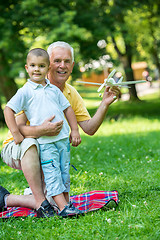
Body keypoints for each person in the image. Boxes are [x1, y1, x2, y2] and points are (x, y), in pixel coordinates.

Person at [1, 41, 120, 218]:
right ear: (49, 64)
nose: (62, 66)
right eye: (57, 60)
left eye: (67, 61)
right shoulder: (31, 91)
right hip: (19, 147)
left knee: (56, 199)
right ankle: (35, 202)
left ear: (72, 65)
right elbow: (18, 129)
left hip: (47, 146)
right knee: (32, 143)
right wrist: (42, 130)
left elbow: (89, 128)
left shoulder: (68, 93)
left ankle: (18, 198)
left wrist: (104, 104)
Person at [3, 48, 82, 217]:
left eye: (41, 66)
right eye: (32, 65)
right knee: (52, 173)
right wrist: (16, 133)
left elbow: (68, 109)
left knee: (63, 172)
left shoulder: (53, 90)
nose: (36, 69)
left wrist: (74, 130)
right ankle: (62, 208)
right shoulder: (25, 91)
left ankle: (67, 204)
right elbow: (8, 109)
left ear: (48, 69)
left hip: (62, 141)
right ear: (26, 68)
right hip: (45, 143)